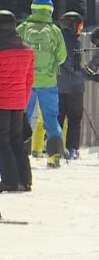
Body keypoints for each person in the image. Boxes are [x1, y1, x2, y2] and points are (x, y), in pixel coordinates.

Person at [0, 10, 34, 192]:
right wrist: (23, 101)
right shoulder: (26, 49)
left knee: (2, 143)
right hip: (18, 102)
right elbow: (29, 79)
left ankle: (9, 181)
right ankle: (25, 180)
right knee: (17, 142)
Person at [16, 0, 67, 167]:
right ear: (51, 10)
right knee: (51, 118)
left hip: (26, 81)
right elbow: (62, 57)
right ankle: (54, 155)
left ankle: (20, 154)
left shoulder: (22, 29)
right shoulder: (54, 31)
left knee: (23, 116)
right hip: (48, 82)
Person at [57, 11, 85, 160]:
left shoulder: (56, 39)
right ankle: (72, 148)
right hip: (74, 87)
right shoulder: (74, 42)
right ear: (73, 25)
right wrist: (85, 74)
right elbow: (74, 67)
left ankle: (56, 147)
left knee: (58, 117)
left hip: (57, 85)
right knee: (74, 119)